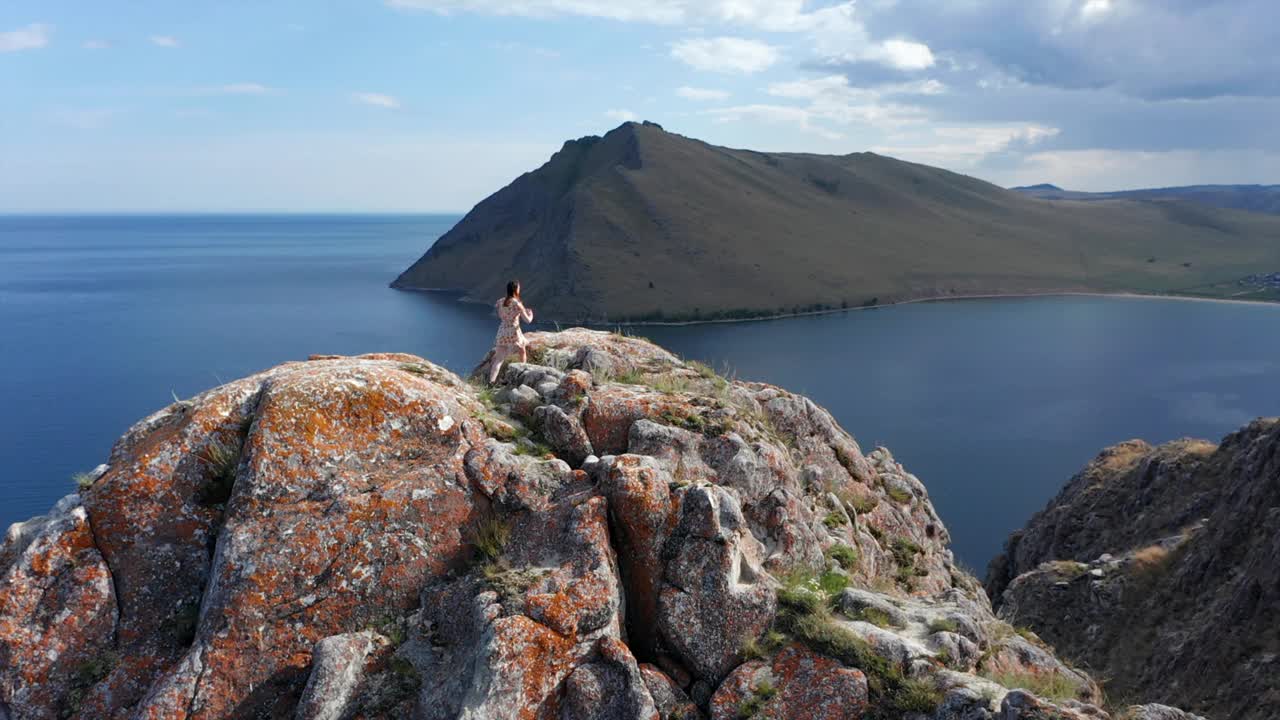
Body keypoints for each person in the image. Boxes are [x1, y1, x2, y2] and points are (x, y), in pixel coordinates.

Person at [488, 280, 534, 384]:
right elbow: (528, 321)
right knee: (522, 352)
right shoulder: (517, 303)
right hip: (514, 331)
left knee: (499, 359)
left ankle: (491, 381)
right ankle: (522, 373)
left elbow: (501, 315)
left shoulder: (500, 301)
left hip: (502, 330)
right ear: (516, 289)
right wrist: (530, 314)